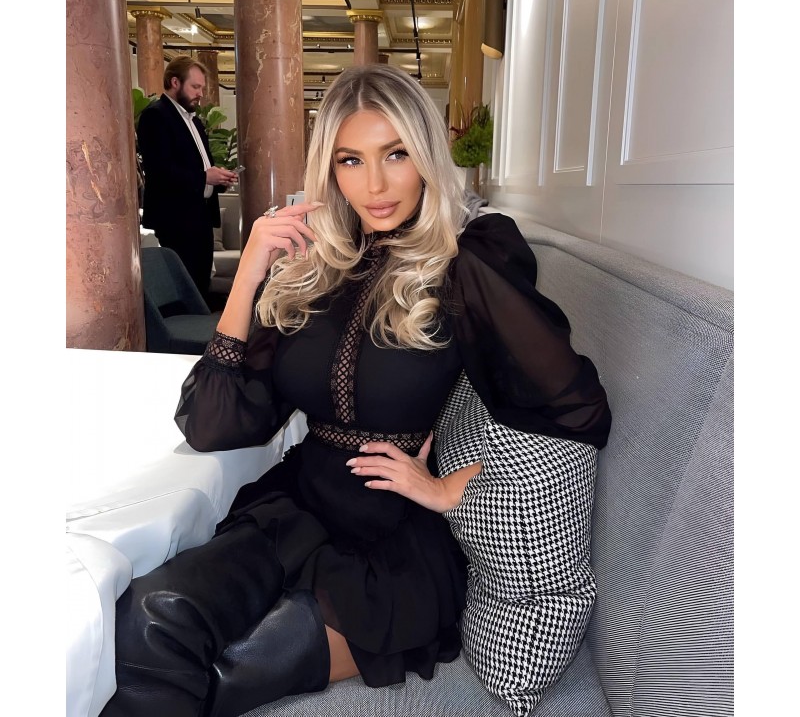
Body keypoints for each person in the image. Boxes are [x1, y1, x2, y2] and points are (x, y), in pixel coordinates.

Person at [101, 64, 611, 717]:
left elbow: (575, 406)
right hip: (297, 506)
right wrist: (251, 271)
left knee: (226, 673)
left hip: (396, 545)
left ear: (425, 156)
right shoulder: (316, 268)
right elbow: (213, 424)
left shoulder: (471, 257)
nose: (374, 184)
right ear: (331, 169)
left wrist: (455, 489)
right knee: (148, 622)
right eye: (351, 160)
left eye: (395, 154)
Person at [138, 55, 239, 300]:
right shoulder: (156, 115)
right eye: (195, 86)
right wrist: (204, 177)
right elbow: (159, 170)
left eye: (201, 87)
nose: (200, 93)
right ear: (175, 82)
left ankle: (201, 322)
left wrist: (218, 179)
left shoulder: (194, 121)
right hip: (176, 217)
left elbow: (200, 165)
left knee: (200, 284)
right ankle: (188, 324)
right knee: (184, 288)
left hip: (200, 215)